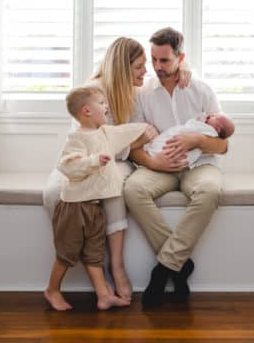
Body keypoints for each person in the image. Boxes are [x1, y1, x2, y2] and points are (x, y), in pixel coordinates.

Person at [43, 37, 190, 301]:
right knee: (55, 194)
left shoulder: (135, 91)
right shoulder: (93, 93)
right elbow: (91, 141)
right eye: (139, 66)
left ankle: (117, 266)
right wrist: (139, 139)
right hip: (82, 157)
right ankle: (91, 272)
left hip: (115, 160)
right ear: (122, 68)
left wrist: (185, 67)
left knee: (113, 187)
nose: (145, 71)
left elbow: (123, 148)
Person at [123, 27, 229, 308]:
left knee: (209, 190)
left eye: (164, 61)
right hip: (158, 166)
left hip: (199, 164)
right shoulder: (141, 94)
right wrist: (153, 161)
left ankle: (164, 269)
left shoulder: (202, 90)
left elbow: (223, 146)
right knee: (133, 189)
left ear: (180, 57)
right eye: (153, 60)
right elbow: (133, 148)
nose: (157, 67)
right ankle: (179, 266)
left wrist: (196, 139)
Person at [44, 86, 148, 311]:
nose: (106, 106)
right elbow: (67, 167)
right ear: (86, 111)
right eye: (101, 103)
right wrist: (93, 161)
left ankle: (104, 296)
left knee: (94, 254)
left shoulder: (105, 133)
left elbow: (125, 131)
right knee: (67, 253)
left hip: (95, 208)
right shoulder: (76, 139)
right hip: (74, 208)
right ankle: (52, 290)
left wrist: (147, 128)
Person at [144, 113, 235, 169]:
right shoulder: (144, 93)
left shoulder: (210, 131)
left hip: (198, 164)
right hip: (157, 160)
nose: (210, 115)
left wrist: (198, 140)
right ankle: (154, 153)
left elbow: (225, 145)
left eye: (215, 117)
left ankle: (154, 152)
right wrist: (151, 162)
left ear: (218, 129)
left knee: (208, 187)